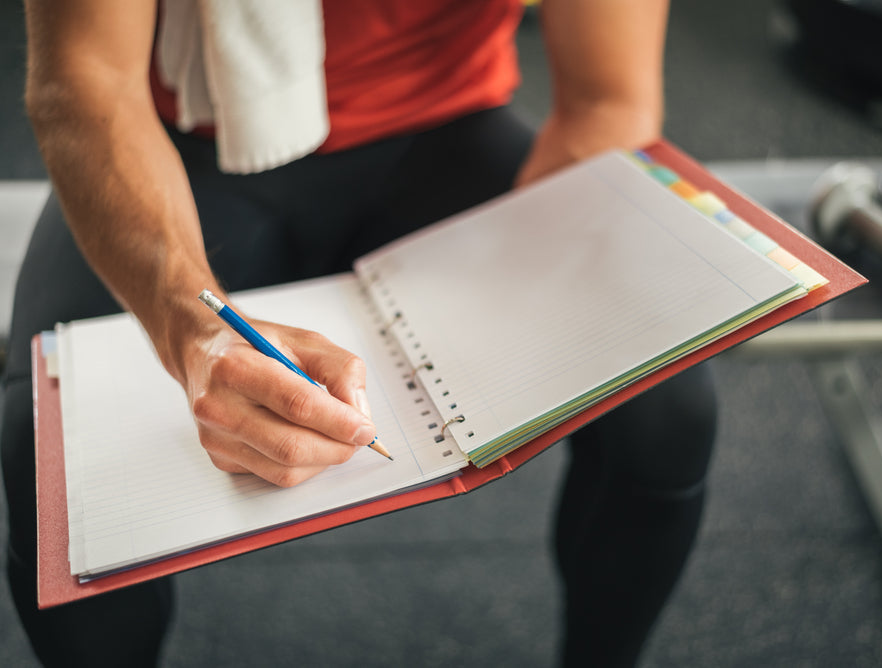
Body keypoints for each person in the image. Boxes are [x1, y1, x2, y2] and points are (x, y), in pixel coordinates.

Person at [1, 1, 717, 665]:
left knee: (665, 406)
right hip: (177, 137)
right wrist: (190, 331)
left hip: (440, 127)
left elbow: (608, 103)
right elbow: (84, 79)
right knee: (46, 448)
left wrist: (515, 315)